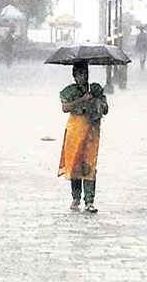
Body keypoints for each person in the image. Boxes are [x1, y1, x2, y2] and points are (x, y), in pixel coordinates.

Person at [58, 61, 108, 213]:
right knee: (74, 163)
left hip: (91, 132)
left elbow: (106, 108)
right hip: (75, 132)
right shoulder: (70, 91)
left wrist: (98, 103)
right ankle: (76, 197)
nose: (83, 77)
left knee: (89, 164)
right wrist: (82, 100)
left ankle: (89, 200)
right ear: (74, 76)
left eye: (85, 73)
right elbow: (65, 108)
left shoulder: (95, 89)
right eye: (80, 74)